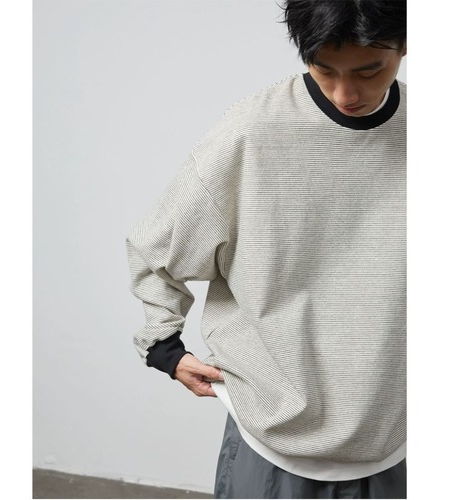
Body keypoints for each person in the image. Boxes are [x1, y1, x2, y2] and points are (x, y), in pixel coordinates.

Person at [126, 0, 407, 497]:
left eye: (369, 71)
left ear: (404, 47)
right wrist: (164, 347)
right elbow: (157, 250)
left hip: (397, 429)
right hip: (271, 430)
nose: (346, 93)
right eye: (324, 69)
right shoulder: (252, 131)